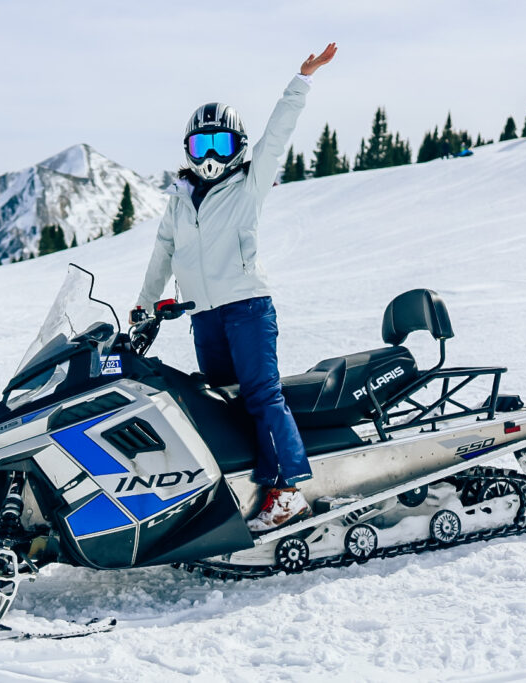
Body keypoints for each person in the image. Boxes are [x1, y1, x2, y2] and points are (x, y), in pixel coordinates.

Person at [133, 43, 337, 532]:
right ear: (188, 150)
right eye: (201, 147)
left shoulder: (248, 184)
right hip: (203, 316)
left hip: (247, 308)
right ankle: (247, 483)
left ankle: (287, 492)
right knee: (221, 401)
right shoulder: (180, 201)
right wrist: (144, 306)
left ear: (237, 149)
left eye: (219, 146)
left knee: (262, 396)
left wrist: (300, 82)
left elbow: (277, 137)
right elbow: (162, 252)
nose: (209, 158)